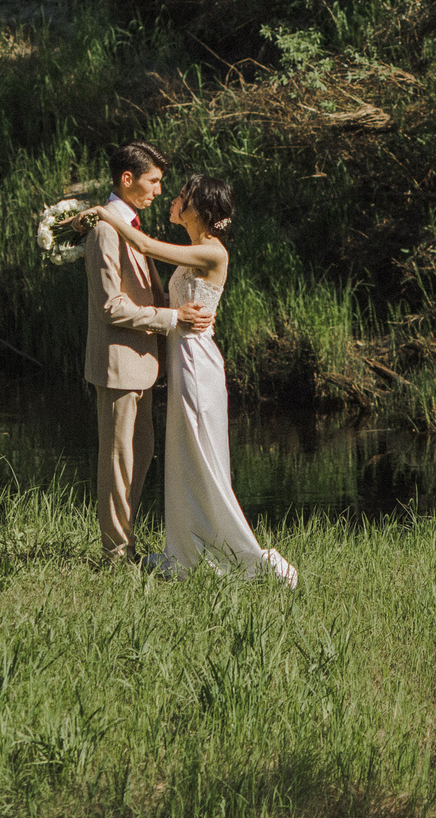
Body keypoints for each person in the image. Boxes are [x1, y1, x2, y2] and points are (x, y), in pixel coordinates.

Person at [115, 175, 299, 587]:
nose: (174, 199)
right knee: (185, 455)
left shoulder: (212, 252)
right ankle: (186, 553)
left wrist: (103, 214)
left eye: (183, 195)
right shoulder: (195, 251)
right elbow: (177, 297)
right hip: (185, 359)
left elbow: (145, 246)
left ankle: (251, 560)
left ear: (198, 209)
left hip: (197, 362)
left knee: (202, 456)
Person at [83, 142, 214, 564]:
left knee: (140, 456)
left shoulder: (126, 226)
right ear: (128, 179)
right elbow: (110, 306)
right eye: (153, 181)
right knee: (119, 460)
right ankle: (115, 554)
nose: (159, 190)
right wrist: (173, 318)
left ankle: (126, 545)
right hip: (117, 364)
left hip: (142, 364)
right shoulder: (106, 229)